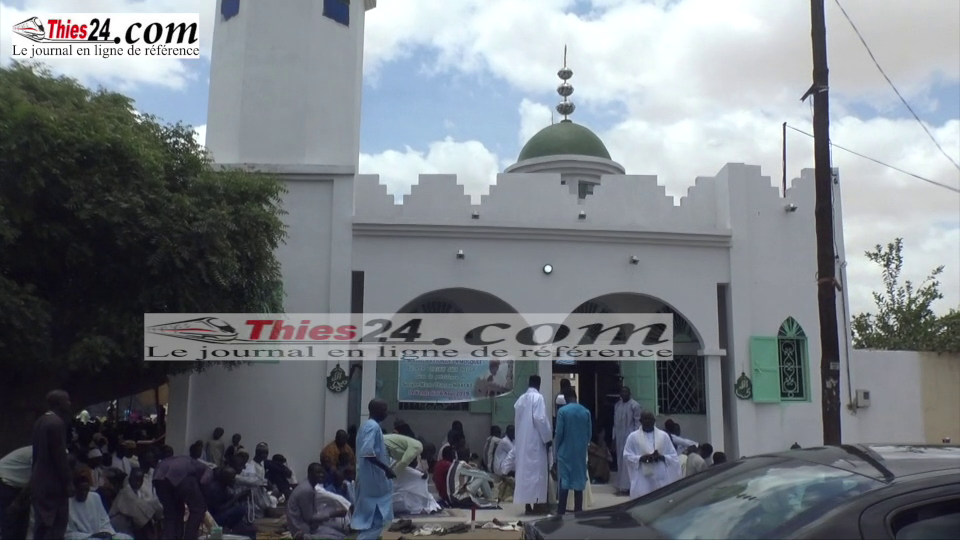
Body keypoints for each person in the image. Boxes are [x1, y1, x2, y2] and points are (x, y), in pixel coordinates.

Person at [31, 389, 75, 540]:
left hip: (40, 481)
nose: (69, 403)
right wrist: (68, 481)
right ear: (58, 403)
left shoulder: (40, 421)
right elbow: (59, 456)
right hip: (53, 484)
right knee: (55, 526)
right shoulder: (56, 423)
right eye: (66, 400)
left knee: (41, 526)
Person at [351, 399, 395, 540]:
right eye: (384, 409)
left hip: (368, 479)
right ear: (375, 410)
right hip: (374, 481)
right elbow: (368, 453)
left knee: (369, 520)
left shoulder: (366, 426)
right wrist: (386, 469)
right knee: (378, 518)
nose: (386, 413)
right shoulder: (373, 427)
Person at [513, 375, 552, 515]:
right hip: (535, 442)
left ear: (528, 383)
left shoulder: (520, 400)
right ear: (539, 384)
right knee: (537, 475)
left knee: (525, 474)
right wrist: (548, 437)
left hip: (523, 442)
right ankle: (538, 506)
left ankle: (527, 505)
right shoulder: (538, 398)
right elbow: (540, 418)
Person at [152, 454, 213, 540]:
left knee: (171, 512)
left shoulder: (192, 462)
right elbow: (203, 482)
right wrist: (203, 501)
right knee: (198, 508)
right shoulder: (208, 470)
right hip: (179, 473)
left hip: (159, 475)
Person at [622, 411, 681, 499]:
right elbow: (627, 456)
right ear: (640, 421)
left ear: (654, 421)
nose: (648, 421)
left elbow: (673, 456)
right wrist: (641, 458)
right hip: (642, 478)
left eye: (650, 419)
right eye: (645, 419)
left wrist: (661, 457)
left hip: (660, 477)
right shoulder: (633, 437)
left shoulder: (663, 436)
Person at [65, 467, 133, 540]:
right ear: (75, 487)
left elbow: (105, 523)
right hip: (85, 538)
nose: (84, 493)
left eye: (86, 489)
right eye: (81, 490)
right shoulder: (68, 503)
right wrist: (92, 536)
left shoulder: (95, 497)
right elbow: (69, 534)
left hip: (100, 536)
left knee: (126, 538)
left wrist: (107, 533)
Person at [287, 463, 349, 540]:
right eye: (318, 473)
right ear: (310, 474)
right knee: (339, 537)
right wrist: (333, 514)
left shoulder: (310, 487)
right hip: (301, 529)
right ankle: (305, 537)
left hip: (310, 525)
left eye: (322, 472)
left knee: (342, 531)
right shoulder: (306, 490)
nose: (321, 475)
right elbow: (309, 518)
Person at [554, 389, 591, 514]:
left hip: (565, 451)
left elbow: (559, 433)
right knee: (579, 482)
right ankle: (578, 511)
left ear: (565, 398)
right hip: (580, 452)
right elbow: (589, 434)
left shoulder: (562, 412)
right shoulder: (585, 412)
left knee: (564, 481)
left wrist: (557, 450)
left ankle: (561, 511)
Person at [109, 468, 162, 539]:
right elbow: (142, 511)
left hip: (129, 525)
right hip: (117, 524)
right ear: (130, 479)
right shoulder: (126, 492)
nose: (138, 483)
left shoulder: (139, 492)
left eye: (140, 481)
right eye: (136, 480)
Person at [202, 466, 253, 537]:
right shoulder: (216, 489)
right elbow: (219, 509)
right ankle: (227, 528)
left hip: (219, 514)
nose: (234, 480)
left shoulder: (224, 486)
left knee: (241, 508)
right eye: (232, 478)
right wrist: (237, 498)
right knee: (240, 509)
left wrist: (241, 497)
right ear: (226, 478)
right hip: (214, 518)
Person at [612, 386, 642, 495]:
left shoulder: (635, 406)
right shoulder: (617, 405)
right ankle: (621, 486)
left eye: (625, 392)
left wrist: (636, 438)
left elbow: (638, 423)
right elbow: (615, 424)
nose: (623, 394)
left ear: (629, 393)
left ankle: (628, 488)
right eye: (622, 392)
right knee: (620, 461)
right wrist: (613, 438)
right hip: (620, 438)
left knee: (628, 462)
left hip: (630, 438)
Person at [0, 446, 32, 540]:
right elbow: (35, 479)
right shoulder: (39, 452)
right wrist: (17, 502)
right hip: (6, 481)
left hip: (17, 484)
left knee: (21, 526)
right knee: (10, 524)